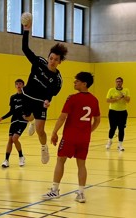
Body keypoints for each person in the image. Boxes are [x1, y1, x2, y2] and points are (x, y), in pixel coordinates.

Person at [42, 72, 100, 203]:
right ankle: (81, 194)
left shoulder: (72, 98)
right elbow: (97, 120)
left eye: (77, 81)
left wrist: (54, 132)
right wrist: (89, 131)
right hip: (84, 138)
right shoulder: (94, 99)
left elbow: (62, 117)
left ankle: (55, 190)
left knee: (60, 161)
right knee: (82, 165)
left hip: (70, 137)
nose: (74, 83)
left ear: (84, 84)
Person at [21, 17, 68, 164]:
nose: (52, 61)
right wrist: (26, 30)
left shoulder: (57, 79)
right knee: (27, 117)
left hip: (40, 102)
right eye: (51, 58)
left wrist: (48, 101)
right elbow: (25, 49)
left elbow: (50, 93)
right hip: (27, 96)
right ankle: (32, 121)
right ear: (48, 57)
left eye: (56, 59)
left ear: (60, 62)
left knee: (41, 131)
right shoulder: (39, 62)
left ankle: (43, 147)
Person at [0, 79, 27, 168]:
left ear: (23, 85)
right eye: (16, 84)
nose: (18, 85)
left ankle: (21, 156)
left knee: (15, 138)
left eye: (20, 84)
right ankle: (6, 160)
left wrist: (29, 116)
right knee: (10, 140)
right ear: (15, 86)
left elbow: (31, 108)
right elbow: (11, 111)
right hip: (14, 120)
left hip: (22, 121)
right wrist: (1, 118)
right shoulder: (13, 97)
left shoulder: (26, 97)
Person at [105, 77, 130, 151]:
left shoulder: (126, 90)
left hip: (122, 112)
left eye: (120, 81)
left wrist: (124, 96)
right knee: (112, 128)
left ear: (122, 82)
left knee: (121, 128)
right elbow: (107, 100)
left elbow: (128, 100)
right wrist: (116, 99)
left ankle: (120, 145)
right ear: (115, 82)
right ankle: (109, 141)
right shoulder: (111, 90)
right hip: (113, 111)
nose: (118, 83)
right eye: (117, 81)